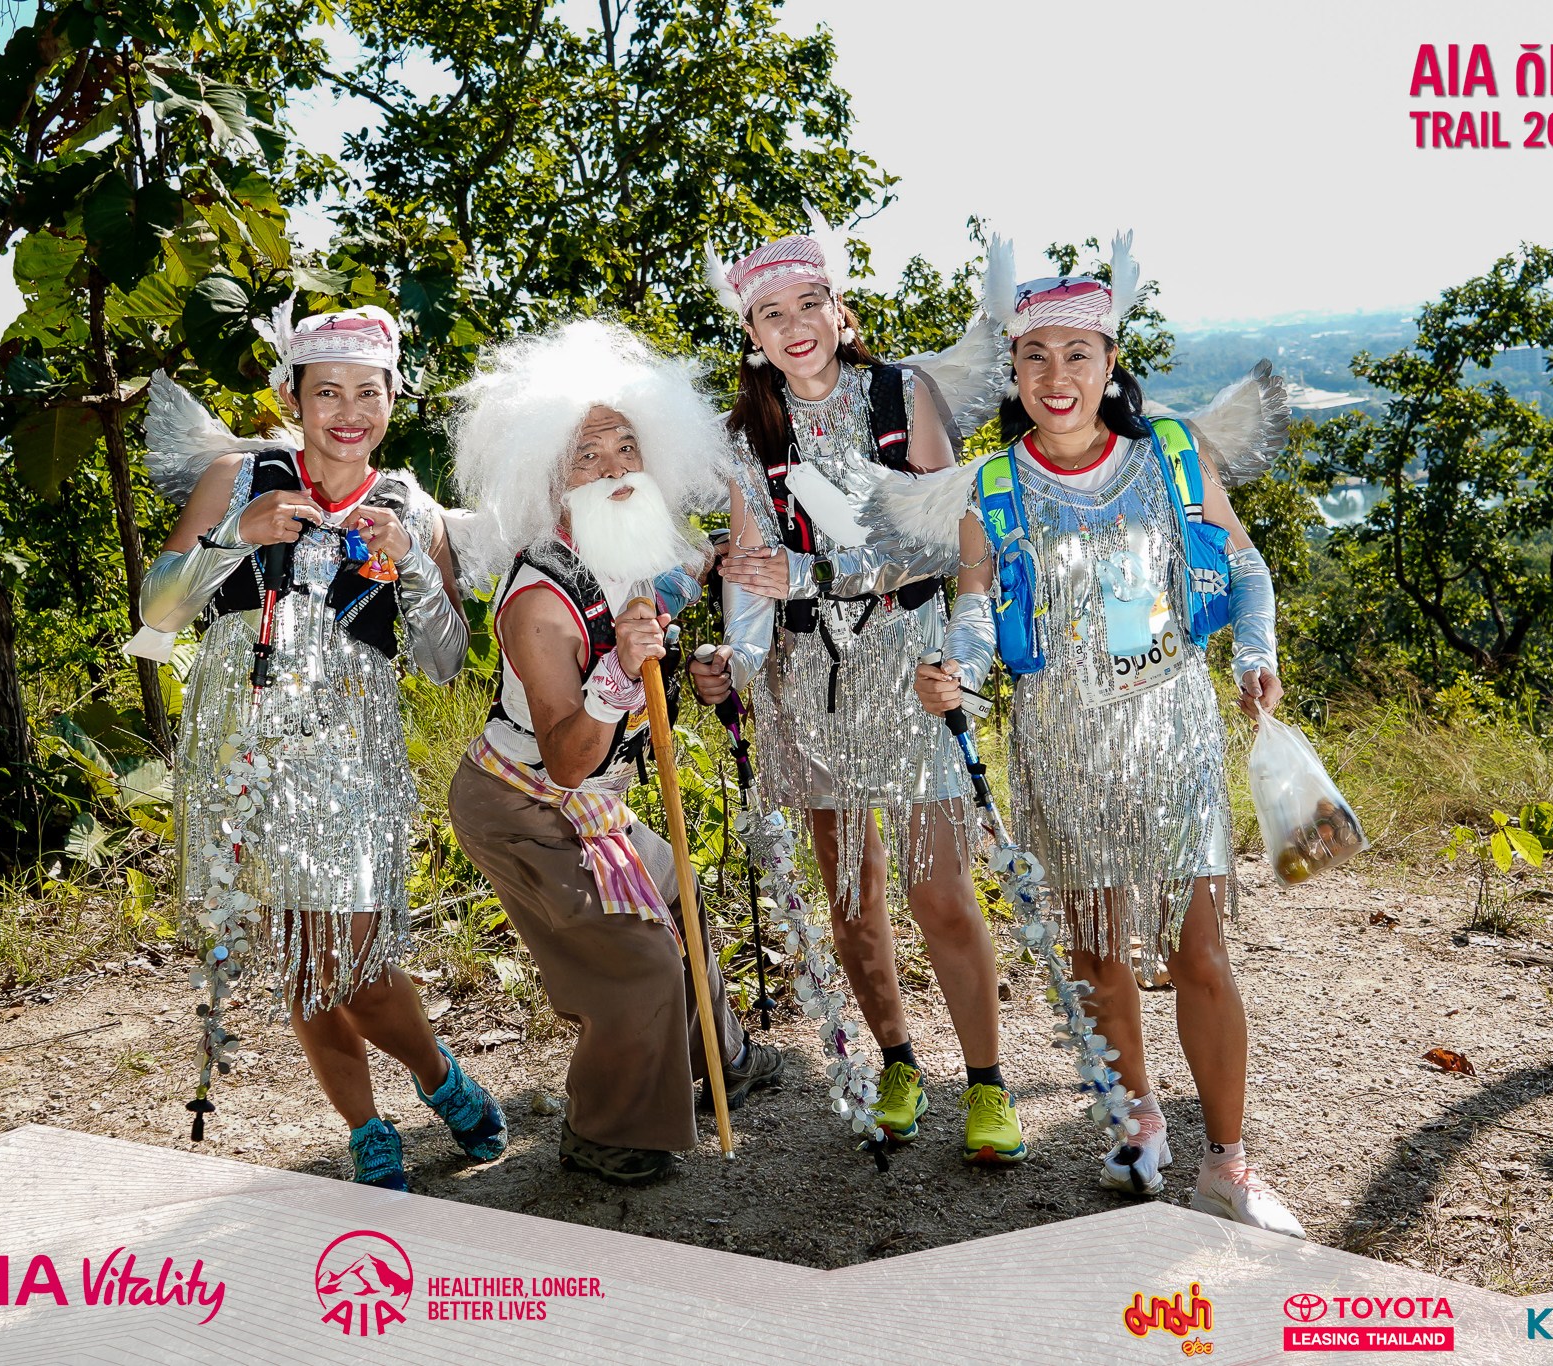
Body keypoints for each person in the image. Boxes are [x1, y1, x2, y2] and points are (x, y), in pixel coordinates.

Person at [889, 236, 1307, 1234]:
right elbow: (978, 605)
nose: (1056, 376)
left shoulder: (1170, 456)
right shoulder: (993, 487)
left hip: (1171, 733)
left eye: (1078, 354)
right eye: (1034, 356)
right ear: (1013, 371)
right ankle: (1138, 1123)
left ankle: (1227, 1163)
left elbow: (1246, 567)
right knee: (1095, 947)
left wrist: (1254, 652)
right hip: (1061, 743)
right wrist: (957, 671)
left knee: (1198, 949)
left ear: (1110, 362)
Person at [141, 299, 506, 1192]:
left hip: (351, 754)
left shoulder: (409, 506)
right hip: (244, 749)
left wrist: (412, 562)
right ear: (292, 397)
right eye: (327, 392)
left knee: (356, 965)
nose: (348, 411)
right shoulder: (238, 477)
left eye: (367, 392)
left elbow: (444, 663)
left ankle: (439, 1077)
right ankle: (365, 1128)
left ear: (393, 399)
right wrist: (234, 537)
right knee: (301, 961)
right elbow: (157, 609)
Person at [685, 214, 1028, 1165]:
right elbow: (750, 574)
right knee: (851, 894)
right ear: (749, 332)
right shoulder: (745, 438)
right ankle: (897, 1061)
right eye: (771, 314)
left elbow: (947, 537)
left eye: (810, 304)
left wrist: (818, 572)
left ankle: (989, 1082)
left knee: (940, 889)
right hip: (810, 685)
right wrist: (732, 663)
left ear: (840, 309)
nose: (795, 326)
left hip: (910, 669)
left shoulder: (902, 394)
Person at [445, 320, 783, 1185]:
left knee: (678, 894)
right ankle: (605, 1130)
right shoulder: (540, 601)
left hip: (595, 802)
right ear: (549, 477)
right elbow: (566, 758)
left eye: (627, 447)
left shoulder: (632, 542)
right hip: (525, 806)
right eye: (586, 456)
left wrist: (706, 614)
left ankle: (718, 1058)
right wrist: (617, 676)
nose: (614, 469)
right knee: (636, 960)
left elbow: (673, 580)